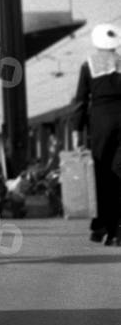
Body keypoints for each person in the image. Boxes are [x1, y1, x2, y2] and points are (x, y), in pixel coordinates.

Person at [71, 23, 121, 245]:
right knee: (119, 173)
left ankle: (103, 224)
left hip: (101, 122)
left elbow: (81, 101)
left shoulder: (88, 65)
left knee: (102, 175)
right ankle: (117, 231)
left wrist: (76, 132)